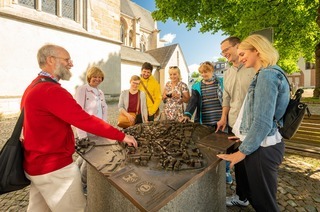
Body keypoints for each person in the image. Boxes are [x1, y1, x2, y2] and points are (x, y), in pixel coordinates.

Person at [20, 44, 137, 212]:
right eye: (67, 60)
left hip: (35, 165)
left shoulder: (33, 86)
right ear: (51, 60)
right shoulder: (51, 91)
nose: (71, 64)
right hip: (55, 169)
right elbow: (84, 119)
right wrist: (121, 136)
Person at [217, 34, 290, 212]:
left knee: (264, 204)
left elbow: (263, 122)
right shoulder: (268, 73)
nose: (241, 59)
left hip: (263, 148)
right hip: (261, 144)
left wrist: (242, 152)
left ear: (256, 51)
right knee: (260, 199)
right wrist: (242, 135)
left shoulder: (267, 75)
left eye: (243, 54)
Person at [216, 37, 256, 195]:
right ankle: (241, 196)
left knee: (254, 162)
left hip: (253, 124)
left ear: (238, 46)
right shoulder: (227, 73)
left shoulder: (253, 67)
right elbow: (226, 97)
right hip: (234, 124)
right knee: (238, 163)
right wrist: (223, 117)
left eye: (226, 50)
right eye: (222, 51)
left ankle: (257, 196)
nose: (224, 54)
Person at [74, 66, 108, 194]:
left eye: (99, 77)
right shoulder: (82, 89)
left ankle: (74, 179)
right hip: (86, 131)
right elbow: (78, 113)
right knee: (90, 159)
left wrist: (105, 129)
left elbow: (104, 111)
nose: (97, 79)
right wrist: (82, 135)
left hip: (98, 131)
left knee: (84, 157)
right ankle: (82, 185)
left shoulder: (100, 93)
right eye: (95, 77)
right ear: (89, 77)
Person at [180, 61, 222, 129]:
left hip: (221, 120)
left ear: (211, 71)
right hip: (205, 121)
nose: (203, 74)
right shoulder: (196, 86)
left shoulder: (221, 82)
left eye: (205, 72)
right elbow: (192, 101)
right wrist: (187, 114)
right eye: (201, 72)